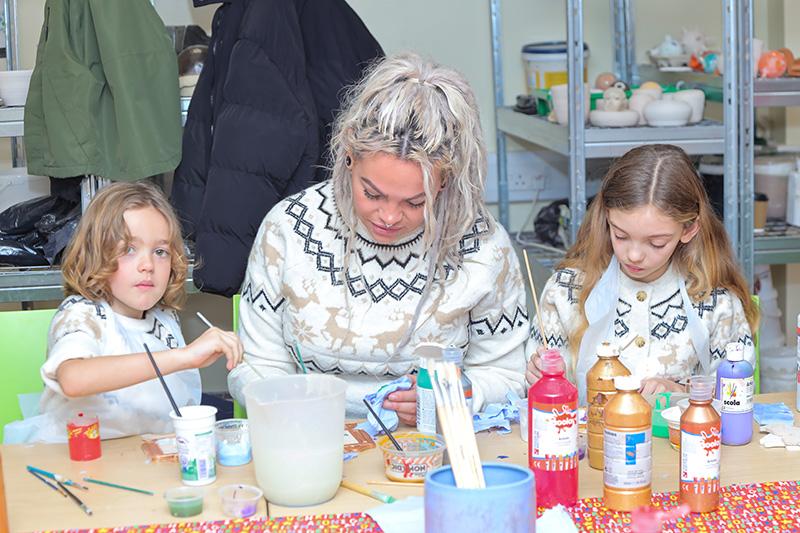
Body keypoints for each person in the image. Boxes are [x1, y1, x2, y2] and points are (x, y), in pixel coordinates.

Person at [229, 53, 529, 423]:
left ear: (445, 182)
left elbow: (509, 375)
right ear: (349, 158)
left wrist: (460, 395)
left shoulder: (482, 248)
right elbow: (256, 366)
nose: (388, 217)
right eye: (371, 194)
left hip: (430, 448)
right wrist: (297, 413)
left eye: (416, 202)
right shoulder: (289, 229)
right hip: (307, 438)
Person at [5, 183, 243, 443]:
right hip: (77, 465)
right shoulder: (82, 314)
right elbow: (74, 379)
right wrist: (184, 357)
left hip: (145, 462)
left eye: (160, 252)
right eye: (129, 249)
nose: (148, 265)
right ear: (95, 253)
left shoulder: (163, 317)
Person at [526, 144, 758, 403]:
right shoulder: (566, 291)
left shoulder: (715, 302)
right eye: (621, 235)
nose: (634, 255)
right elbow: (536, 395)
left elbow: (736, 399)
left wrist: (680, 392)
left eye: (656, 243)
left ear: (689, 230)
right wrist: (539, 378)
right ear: (606, 218)